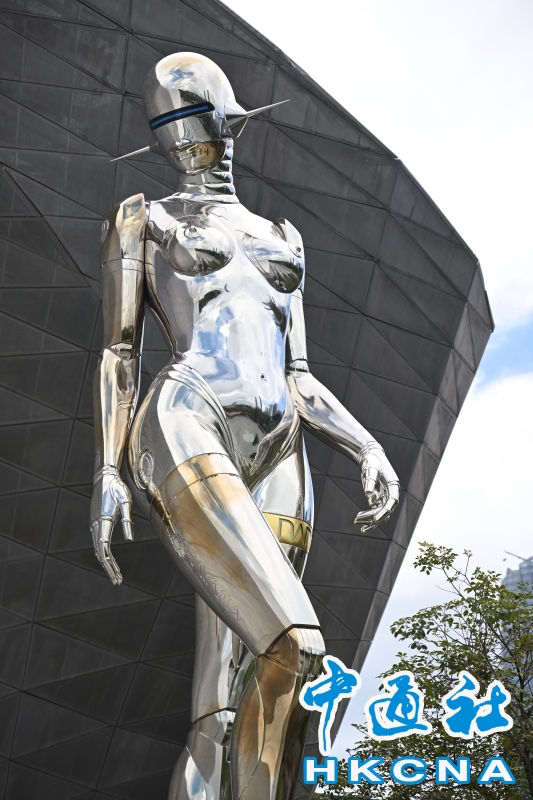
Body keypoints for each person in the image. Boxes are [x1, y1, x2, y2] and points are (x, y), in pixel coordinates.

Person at [90, 52, 399, 800]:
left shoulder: (283, 236)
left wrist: (365, 445)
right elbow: (119, 351)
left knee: (225, 704)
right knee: (297, 646)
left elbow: (298, 374)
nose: (182, 136)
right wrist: (107, 469)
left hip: (281, 448)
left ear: (230, 118)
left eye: (193, 114)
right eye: (167, 122)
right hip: (189, 421)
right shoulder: (144, 218)